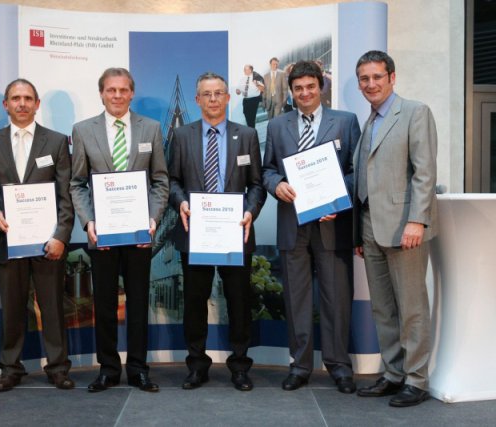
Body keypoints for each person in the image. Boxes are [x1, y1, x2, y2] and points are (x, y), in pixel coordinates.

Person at [262, 60, 361, 394]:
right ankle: (300, 365)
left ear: (322, 87)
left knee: (336, 298)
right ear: (291, 91)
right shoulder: (277, 126)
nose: (305, 93)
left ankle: (339, 366)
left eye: (310, 87)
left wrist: (337, 196)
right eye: (298, 88)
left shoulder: (346, 123)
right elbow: (267, 171)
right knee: (296, 299)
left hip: (333, 224)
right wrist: (277, 186)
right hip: (293, 225)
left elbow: (356, 170)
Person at [71, 67, 168, 393]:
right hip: (104, 234)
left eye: (123, 90)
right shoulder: (83, 130)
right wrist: (89, 222)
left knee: (139, 304)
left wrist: (152, 219)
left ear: (131, 93)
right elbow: (77, 183)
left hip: (140, 234)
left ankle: (138, 370)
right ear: (102, 93)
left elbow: (160, 180)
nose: (117, 96)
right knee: (105, 305)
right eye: (111, 90)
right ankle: (108, 370)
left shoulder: (150, 128)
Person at [169, 72, 265, 391]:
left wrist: (250, 211)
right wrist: (181, 203)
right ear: (197, 100)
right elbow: (171, 181)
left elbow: (256, 184)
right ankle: (197, 365)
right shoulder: (182, 136)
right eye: (206, 94)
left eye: (218, 93)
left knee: (238, 302)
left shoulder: (247, 135)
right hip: (195, 234)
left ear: (228, 98)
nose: (213, 99)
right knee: (195, 302)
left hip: (235, 234)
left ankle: (239, 365)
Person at [0, 79, 74, 392]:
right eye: (15, 98)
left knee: (53, 307)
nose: (22, 103)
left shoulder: (57, 142)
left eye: (28, 98)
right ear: (6, 105)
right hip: (7, 239)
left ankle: (58, 368)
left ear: (37, 104)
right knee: (12, 306)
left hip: (48, 241)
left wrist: (61, 234)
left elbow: (66, 194)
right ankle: (10, 368)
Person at [353, 50, 438, 407]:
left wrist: (417, 220)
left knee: (412, 306)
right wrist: (359, 231)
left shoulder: (415, 112)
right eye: (364, 79)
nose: (370, 84)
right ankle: (392, 373)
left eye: (377, 77)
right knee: (383, 308)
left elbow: (425, 173)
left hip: (405, 226)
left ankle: (416, 380)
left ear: (392, 77)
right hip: (371, 225)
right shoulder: (369, 120)